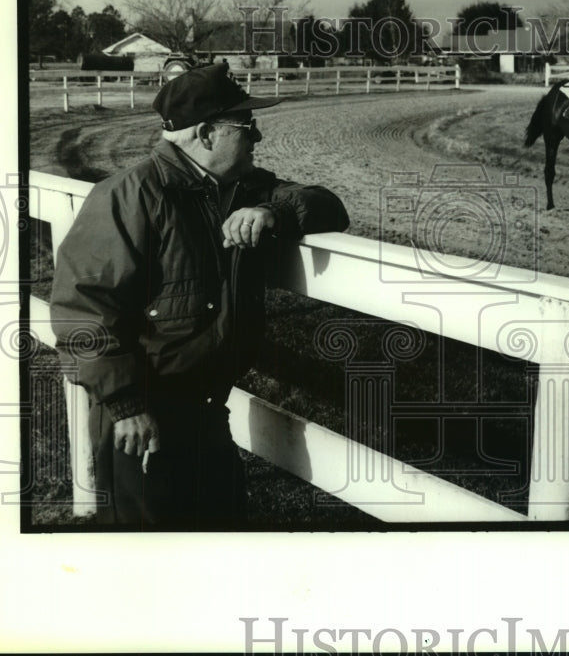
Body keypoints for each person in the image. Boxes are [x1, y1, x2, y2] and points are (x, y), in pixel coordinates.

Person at [50, 62, 350, 529]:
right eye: (247, 125)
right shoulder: (130, 196)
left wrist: (275, 211)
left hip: (208, 410)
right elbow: (83, 312)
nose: (258, 137)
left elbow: (329, 205)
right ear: (208, 135)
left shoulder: (244, 187)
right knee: (148, 562)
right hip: (144, 417)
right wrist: (127, 406)